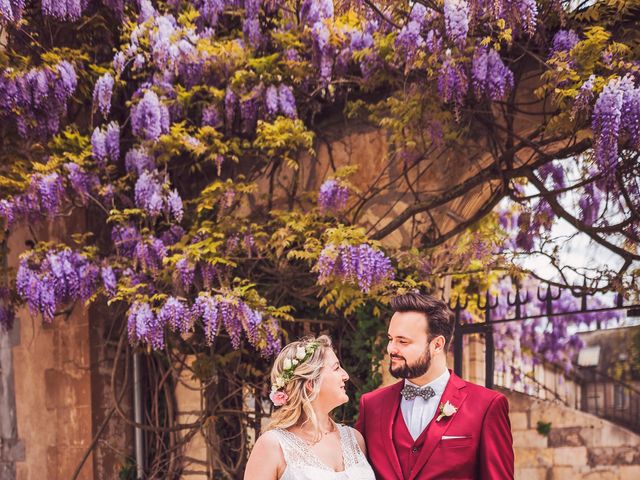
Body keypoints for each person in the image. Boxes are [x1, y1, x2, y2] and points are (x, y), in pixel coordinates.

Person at [355, 291, 514, 480]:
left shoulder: (487, 406)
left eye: (402, 341)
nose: (391, 349)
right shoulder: (371, 405)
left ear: (437, 345)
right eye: (391, 339)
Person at [244, 335, 376, 479]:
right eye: (336, 368)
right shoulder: (273, 445)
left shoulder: (354, 439)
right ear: (311, 384)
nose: (345, 376)